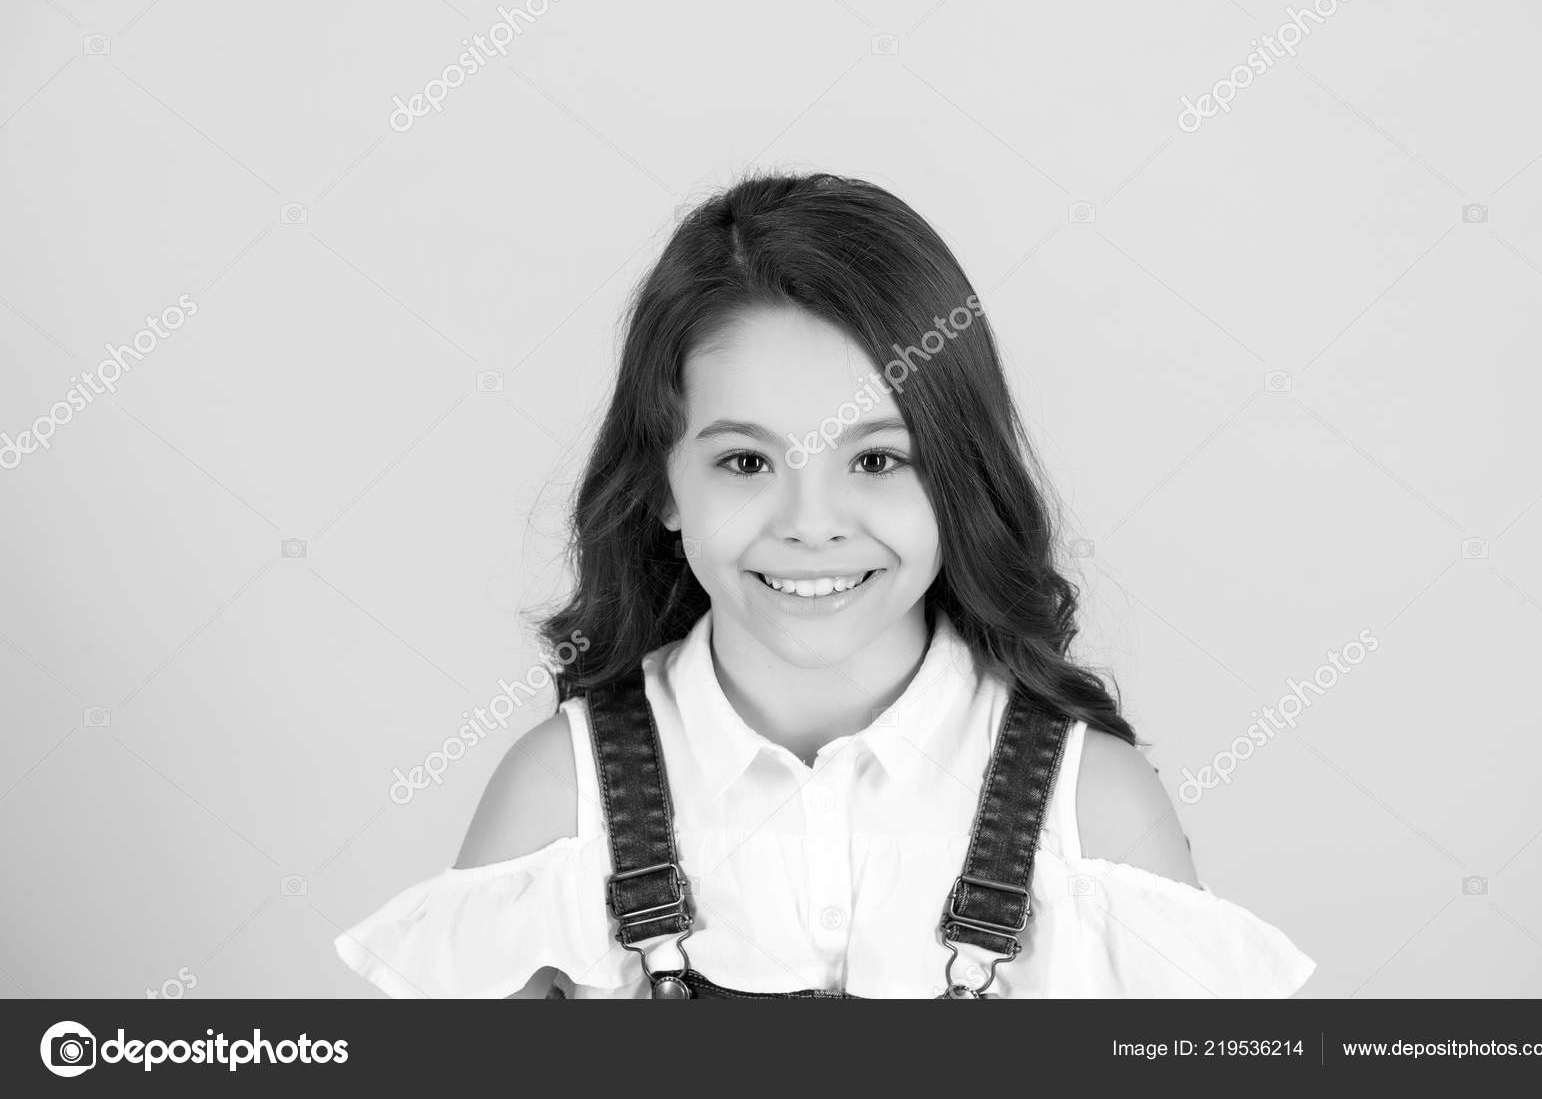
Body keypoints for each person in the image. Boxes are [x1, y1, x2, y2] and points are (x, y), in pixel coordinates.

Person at [333, 172, 1315, 999]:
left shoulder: (1092, 810)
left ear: (956, 476)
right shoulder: (560, 798)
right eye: (746, 464)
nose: (811, 521)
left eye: (878, 461)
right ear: (662, 487)